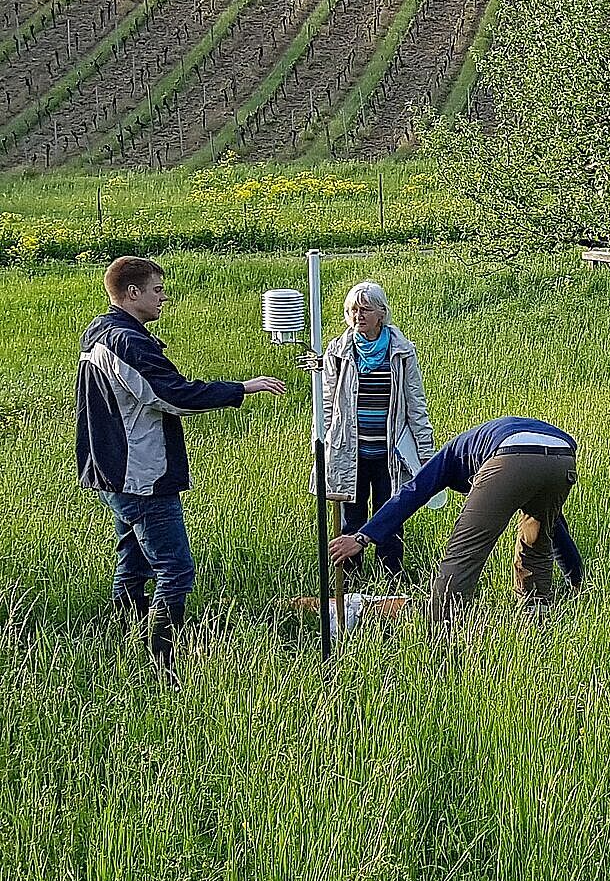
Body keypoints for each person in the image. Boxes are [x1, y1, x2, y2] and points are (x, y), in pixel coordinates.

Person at [77, 255, 287, 682]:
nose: (163, 296)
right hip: (141, 473)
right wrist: (242, 388)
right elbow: (172, 395)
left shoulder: (99, 331)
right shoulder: (127, 342)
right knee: (175, 568)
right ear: (131, 293)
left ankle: (127, 640)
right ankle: (162, 663)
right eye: (157, 289)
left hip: (113, 469)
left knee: (133, 562)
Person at [328, 416, 582, 628]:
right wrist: (576, 579)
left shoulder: (450, 456)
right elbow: (554, 529)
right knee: (538, 542)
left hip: (510, 454)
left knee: (464, 554)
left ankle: (442, 635)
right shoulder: (478, 445)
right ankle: (536, 624)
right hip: (562, 456)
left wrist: (362, 537)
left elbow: (411, 494)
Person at [319, 281, 434, 579]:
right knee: (351, 518)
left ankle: (391, 578)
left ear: (381, 313)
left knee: (391, 517)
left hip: (389, 453)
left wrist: (426, 455)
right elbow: (328, 404)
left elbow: (416, 405)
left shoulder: (402, 351)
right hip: (351, 452)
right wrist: (323, 447)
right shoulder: (338, 350)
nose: (358, 315)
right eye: (353, 310)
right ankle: (351, 580)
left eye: (366, 309)